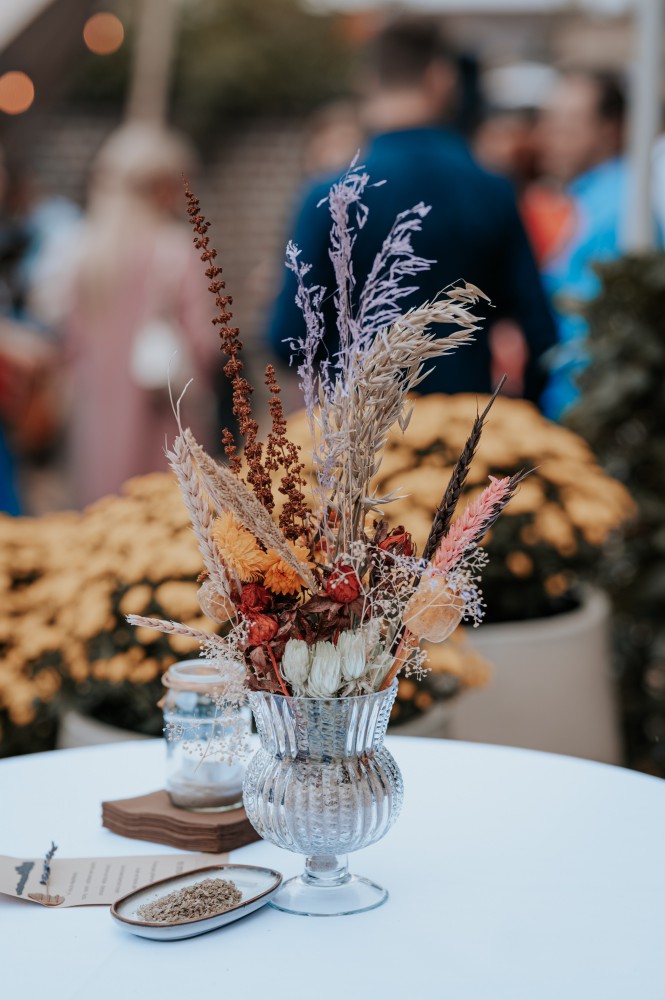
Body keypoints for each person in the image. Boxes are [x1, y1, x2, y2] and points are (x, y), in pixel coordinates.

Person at [267, 18, 556, 405]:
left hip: (359, 430)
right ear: (441, 78)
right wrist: (517, 412)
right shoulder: (493, 191)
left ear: (368, 81)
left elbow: (289, 339)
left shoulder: (328, 197)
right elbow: (540, 333)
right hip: (462, 425)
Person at [37, 124, 216, 507]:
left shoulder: (82, 251)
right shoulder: (174, 250)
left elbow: (66, 340)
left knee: (105, 510)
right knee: (165, 512)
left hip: (95, 408)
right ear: (161, 186)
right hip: (163, 408)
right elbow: (205, 339)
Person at [536, 70, 632, 420]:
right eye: (548, 121)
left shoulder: (618, 208)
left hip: (589, 410)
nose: (551, 137)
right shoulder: (588, 201)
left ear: (611, 129)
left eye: (569, 123)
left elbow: (590, 334)